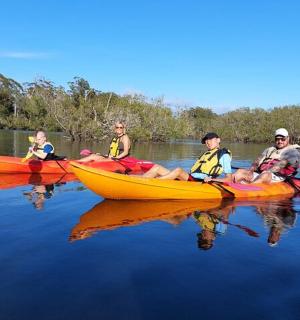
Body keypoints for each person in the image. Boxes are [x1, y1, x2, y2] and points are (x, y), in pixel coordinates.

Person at [143, 132, 232, 182]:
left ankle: (153, 183)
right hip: (191, 177)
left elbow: (229, 179)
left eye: (210, 139)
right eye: (206, 141)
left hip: (200, 181)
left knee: (178, 170)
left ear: (218, 140)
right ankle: (137, 180)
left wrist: (212, 180)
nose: (208, 142)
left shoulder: (224, 155)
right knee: (157, 167)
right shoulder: (206, 154)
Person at [233, 128, 300, 184]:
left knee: (265, 175)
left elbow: (281, 164)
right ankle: (229, 185)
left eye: (283, 139)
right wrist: (251, 171)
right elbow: (257, 161)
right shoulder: (270, 150)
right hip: (261, 173)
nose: (280, 141)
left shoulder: (293, 151)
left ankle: (249, 188)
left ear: (288, 138)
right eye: (277, 139)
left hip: (277, 176)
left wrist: (268, 171)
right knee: (240, 171)